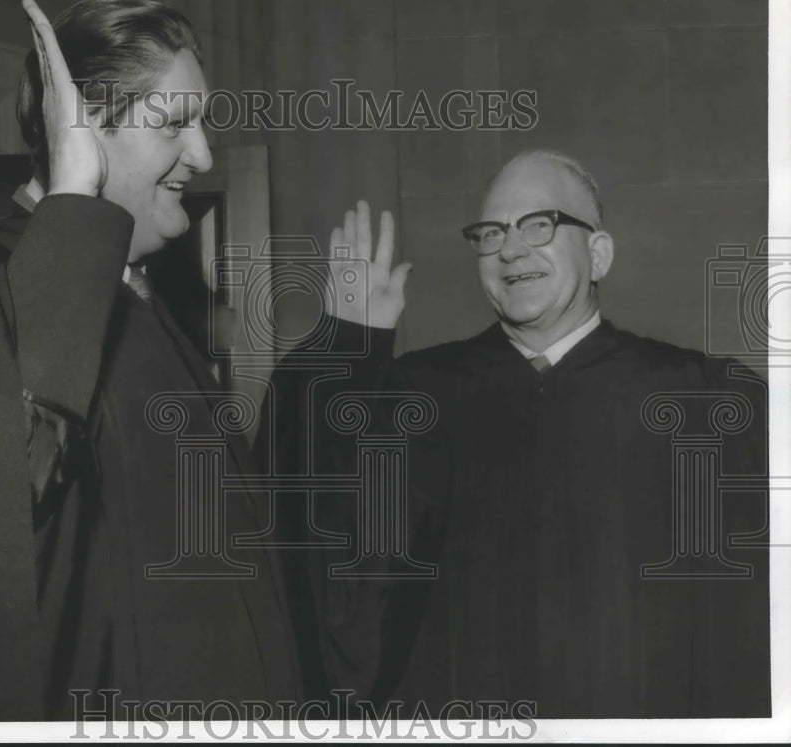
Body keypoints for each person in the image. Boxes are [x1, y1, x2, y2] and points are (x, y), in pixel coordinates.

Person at [0, 0, 299, 721]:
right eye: (175, 123)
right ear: (81, 126)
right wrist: (72, 201)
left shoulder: (144, 300)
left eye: (204, 121)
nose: (205, 155)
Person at [262, 150, 770, 718]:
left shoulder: (698, 398)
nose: (510, 249)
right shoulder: (416, 395)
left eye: (539, 225)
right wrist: (344, 349)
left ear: (597, 254)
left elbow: (748, 620)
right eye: (490, 233)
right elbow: (313, 527)